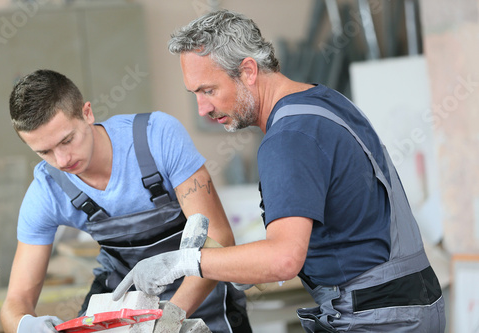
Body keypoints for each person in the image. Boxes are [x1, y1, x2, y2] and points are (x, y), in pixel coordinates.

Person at [112, 9, 446, 333]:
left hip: (379, 317)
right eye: (195, 94)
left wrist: (184, 262)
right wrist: (235, 263)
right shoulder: (323, 101)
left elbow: (284, 259)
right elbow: (323, 231)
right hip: (408, 303)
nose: (203, 109)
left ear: (248, 71)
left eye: (208, 90)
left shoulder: (288, 138)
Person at [0, 69, 252, 333]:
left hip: (206, 296)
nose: (62, 160)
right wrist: (25, 325)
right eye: (44, 151)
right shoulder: (47, 191)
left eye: (67, 140)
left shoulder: (157, 137)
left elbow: (219, 238)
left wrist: (167, 320)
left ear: (87, 113)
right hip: (123, 311)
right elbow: (16, 302)